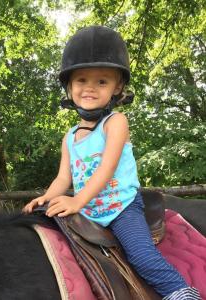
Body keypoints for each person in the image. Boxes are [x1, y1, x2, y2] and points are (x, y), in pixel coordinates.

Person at [23, 25, 201, 300]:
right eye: (81, 80)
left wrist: (76, 201)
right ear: (69, 87)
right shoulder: (69, 136)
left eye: (102, 81)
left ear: (117, 87)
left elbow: (107, 169)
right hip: (88, 209)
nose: (90, 88)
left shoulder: (115, 122)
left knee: (141, 256)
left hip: (121, 207)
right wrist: (44, 198)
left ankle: (180, 292)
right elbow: (63, 179)